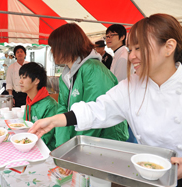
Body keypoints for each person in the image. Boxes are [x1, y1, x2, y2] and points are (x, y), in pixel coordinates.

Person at [29, 14, 182, 183]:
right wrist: (54, 121)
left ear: (169, 47)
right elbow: (97, 109)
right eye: (130, 49)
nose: (131, 57)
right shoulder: (131, 86)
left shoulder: (93, 70)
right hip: (149, 171)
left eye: (139, 48)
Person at [47, 23, 129, 149]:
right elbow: (63, 109)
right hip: (81, 142)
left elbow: (94, 114)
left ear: (66, 46)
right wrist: (62, 145)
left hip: (104, 143)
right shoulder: (66, 75)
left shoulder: (93, 69)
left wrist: (79, 150)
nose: (52, 51)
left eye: (54, 46)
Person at [19, 62, 58, 151]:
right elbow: (25, 125)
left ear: (36, 80)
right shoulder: (29, 100)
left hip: (45, 151)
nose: (20, 81)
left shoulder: (50, 105)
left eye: (24, 78)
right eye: (20, 77)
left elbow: (45, 138)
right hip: (29, 145)